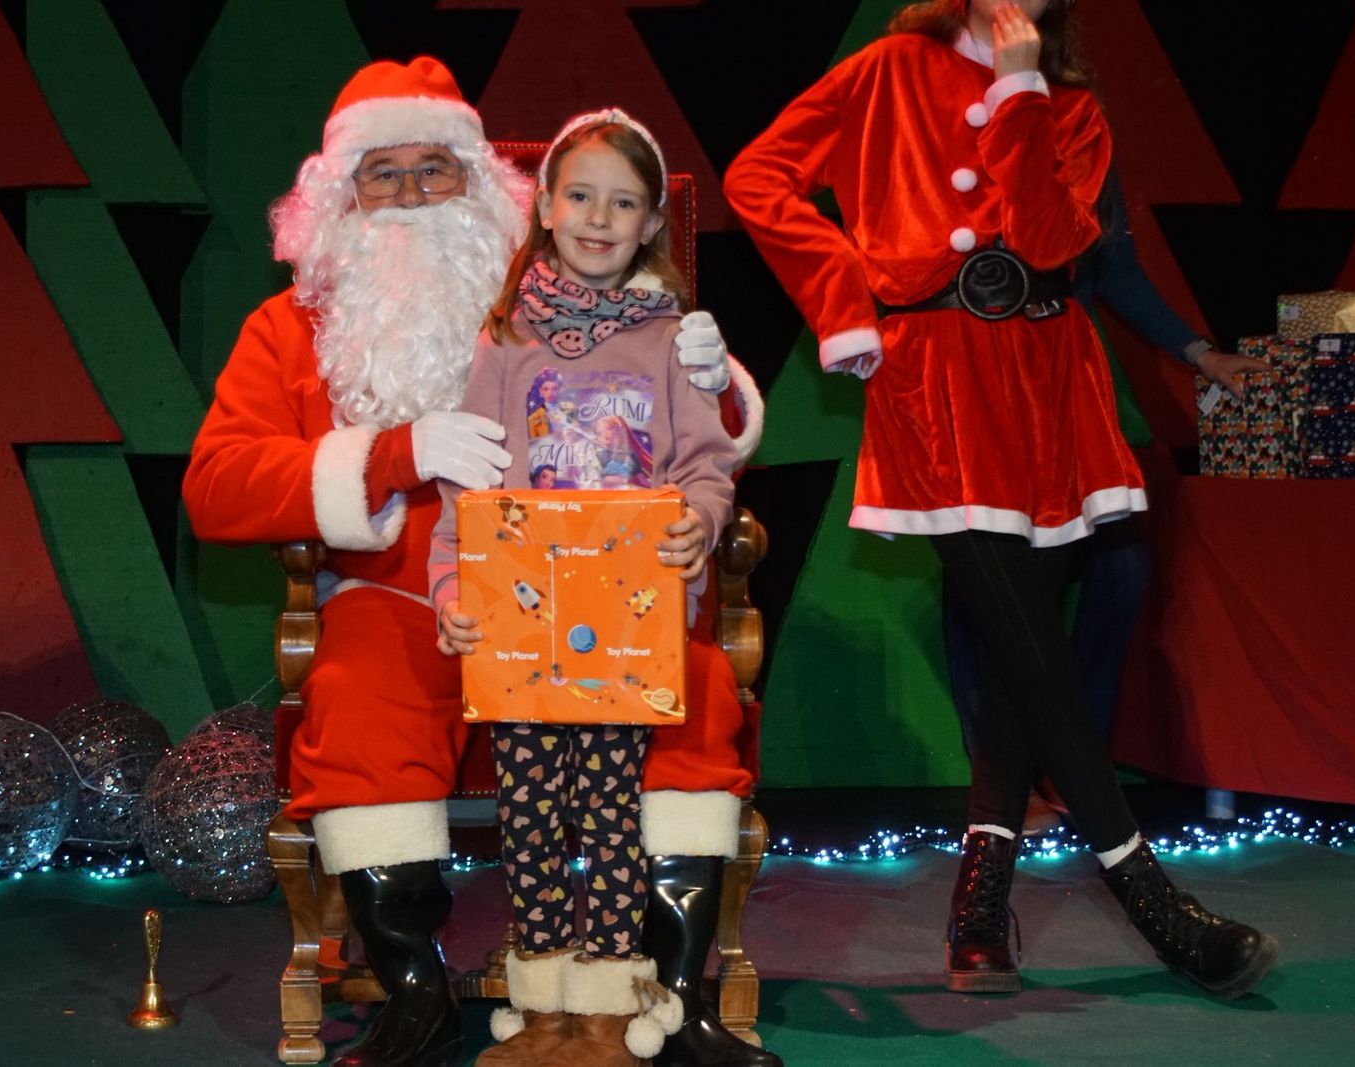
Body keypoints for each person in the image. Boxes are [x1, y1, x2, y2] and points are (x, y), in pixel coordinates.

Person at [183, 58, 773, 1067]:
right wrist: (395, 452)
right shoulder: (288, 330)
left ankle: (674, 997)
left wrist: (718, 387)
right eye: (384, 174)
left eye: (436, 171)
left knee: (700, 685)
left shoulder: (558, 297)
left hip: (585, 592)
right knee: (361, 690)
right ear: (339, 197)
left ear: (484, 190)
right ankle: (413, 990)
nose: (412, 197)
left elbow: (686, 425)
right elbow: (216, 484)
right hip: (409, 600)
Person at [724, 0, 1277, 999]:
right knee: (1024, 640)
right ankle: (1148, 893)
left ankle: (977, 914)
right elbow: (754, 176)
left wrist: (1021, 93)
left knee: (1028, 655)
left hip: (1053, 384)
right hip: (933, 380)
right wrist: (843, 301)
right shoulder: (887, 65)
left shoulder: (1069, 104)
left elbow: (1054, 237)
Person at [429, 109, 740, 1067]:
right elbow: (464, 491)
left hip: (627, 617)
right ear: (547, 208)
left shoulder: (669, 340)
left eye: (625, 202)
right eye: (580, 195)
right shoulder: (504, 336)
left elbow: (707, 465)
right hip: (520, 625)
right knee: (526, 810)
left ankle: (604, 1003)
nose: (599, 217)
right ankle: (542, 997)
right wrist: (450, 587)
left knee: (607, 809)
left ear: (651, 224)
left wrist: (700, 519)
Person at [942, 163, 1274, 833]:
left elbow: (1115, 268)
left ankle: (1072, 757)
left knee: (1121, 567)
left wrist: (1201, 353)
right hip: (978, 385)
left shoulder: (1085, 141)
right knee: (981, 578)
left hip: (1069, 393)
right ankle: (1000, 779)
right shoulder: (960, 129)